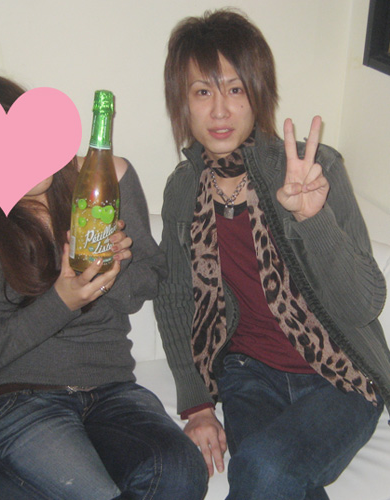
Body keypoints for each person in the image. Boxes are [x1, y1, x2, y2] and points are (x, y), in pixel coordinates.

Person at [0, 65, 208, 500]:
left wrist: (113, 267)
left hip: (113, 389)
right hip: (15, 401)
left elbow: (147, 284)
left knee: (181, 473)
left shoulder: (106, 178)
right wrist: (62, 301)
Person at [154, 8, 390, 500]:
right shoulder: (183, 191)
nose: (220, 111)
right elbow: (174, 297)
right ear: (183, 103)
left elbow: (365, 304)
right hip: (248, 374)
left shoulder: (313, 169)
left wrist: (312, 219)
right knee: (269, 475)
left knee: (261, 468)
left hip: (339, 376)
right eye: (203, 92)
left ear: (257, 93)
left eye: (235, 89)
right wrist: (197, 404)